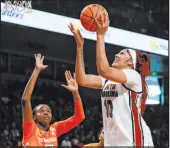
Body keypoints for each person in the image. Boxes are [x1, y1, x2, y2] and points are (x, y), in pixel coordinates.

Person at [68, 14, 154, 147]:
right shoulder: (108, 80)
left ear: (131, 61)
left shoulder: (133, 76)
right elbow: (82, 80)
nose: (116, 55)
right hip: (112, 142)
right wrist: (80, 47)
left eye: (122, 53)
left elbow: (103, 69)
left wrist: (100, 36)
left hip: (131, 141)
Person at [21, 53, 85, 146]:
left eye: (48, 111)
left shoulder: (55, 129)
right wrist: (37, 70)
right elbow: (25, 100)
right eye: (41, 111)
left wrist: (75, 92)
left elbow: (79, 117)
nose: (46, 112)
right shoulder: (30, 129)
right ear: (34, 117)